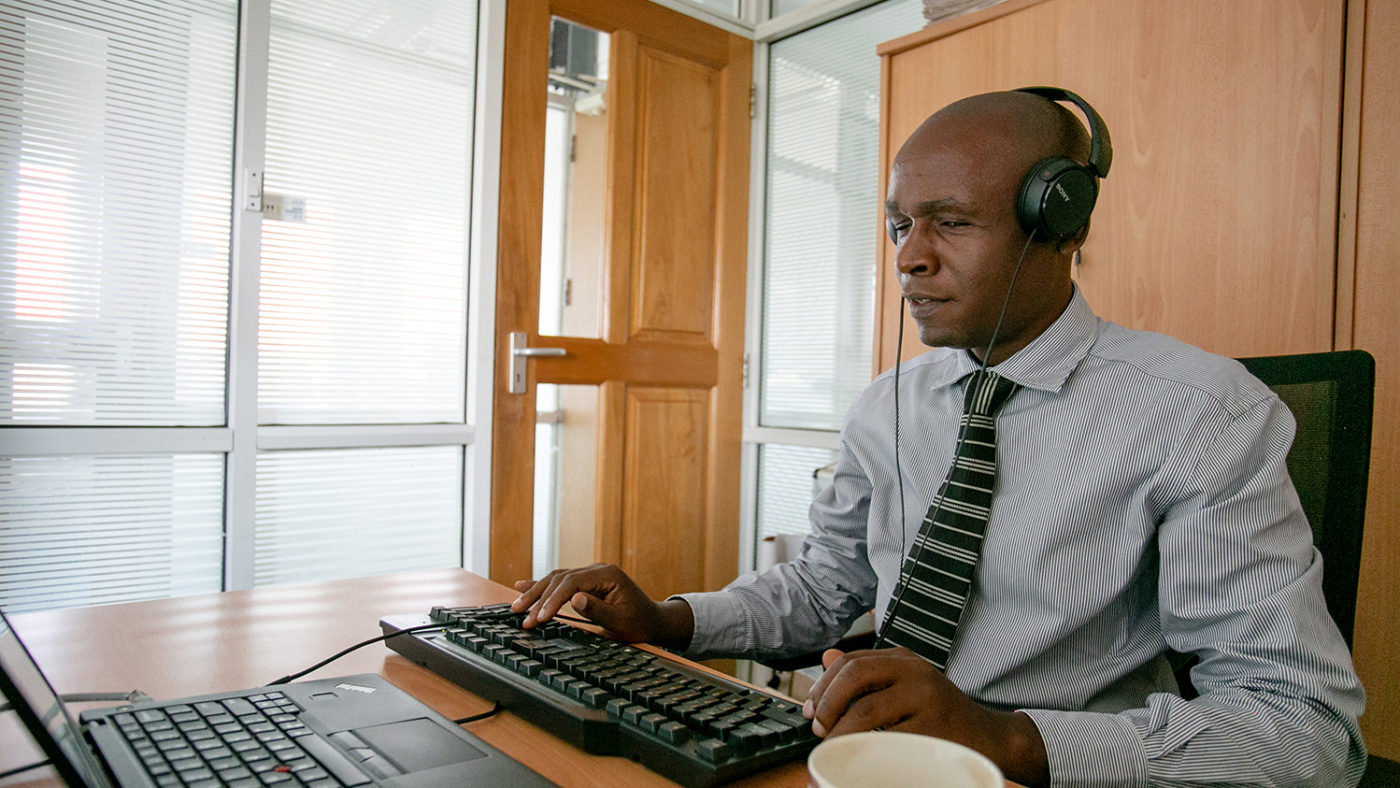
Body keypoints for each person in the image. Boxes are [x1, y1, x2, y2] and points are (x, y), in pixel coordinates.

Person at [511, 90, 1366, 787]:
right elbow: (826, 588)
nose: (908, 259)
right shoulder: (889, 402)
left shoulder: (1201, 412)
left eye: (950, 223)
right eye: (898, 226)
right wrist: (669, 620)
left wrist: (1011, 739)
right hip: (854, 761)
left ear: (1059, 222)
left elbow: (1300, 731)